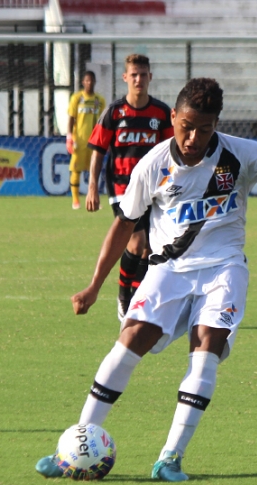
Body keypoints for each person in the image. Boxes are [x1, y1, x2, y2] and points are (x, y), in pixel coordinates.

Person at [35, 77, 257, 482]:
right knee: (130, 339)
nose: (193, 137)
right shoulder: (153, 164)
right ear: (173, 118)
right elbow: (123, 225)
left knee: (206, 348)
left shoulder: (240, 155)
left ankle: (170, 458)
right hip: (167, 269)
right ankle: (74, 445)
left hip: (223, 269)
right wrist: (94, 285)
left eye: (204, 129)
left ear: (215, 124)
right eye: (186, 126)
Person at [86, 54, 174, 320]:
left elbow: (171, 152)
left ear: (150, 77)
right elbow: (98, 151)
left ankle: (139, 301)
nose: (139, 79)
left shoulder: (160, 113)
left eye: (143, 74)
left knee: (149, 248)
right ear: (125, 78)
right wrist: (92, 186)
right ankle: (125, 298)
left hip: (153, 190)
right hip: (122, 188)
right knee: (137, 243)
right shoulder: (114, 112)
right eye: (133, 75)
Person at [66, 71, 106, 210]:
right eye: (87, 80)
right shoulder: (77, 98)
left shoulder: (100, 101)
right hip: (80, 141)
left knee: (94, 171)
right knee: (76, 170)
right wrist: (69, 136)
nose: (89, 83)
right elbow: (71, 117)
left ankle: (95, 199)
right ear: (83, 82)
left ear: (95, 82)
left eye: (91, 80)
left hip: (94, 142)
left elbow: (102, 121)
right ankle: (75, 200)